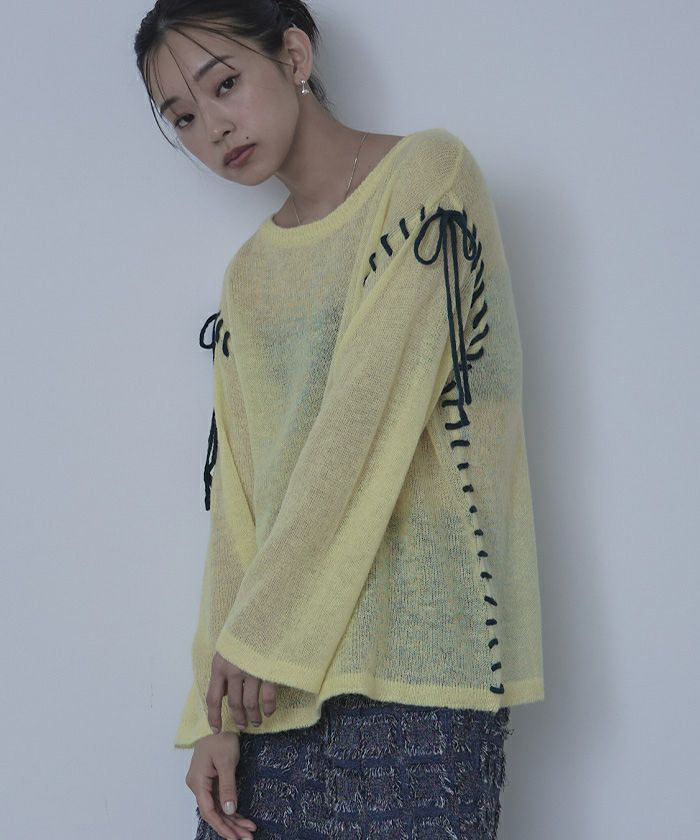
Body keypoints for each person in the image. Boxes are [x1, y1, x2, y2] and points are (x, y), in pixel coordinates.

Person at [133, 2, 545, 838]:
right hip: (268, 691)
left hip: (419, 682)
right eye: (182, 117)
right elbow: (240, 498)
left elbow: (362, 422)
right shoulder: (249, 275)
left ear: (293, 54)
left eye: (224, 85)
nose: (213, 127)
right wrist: (214, 710)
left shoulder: (426, 177)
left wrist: (259, 636)